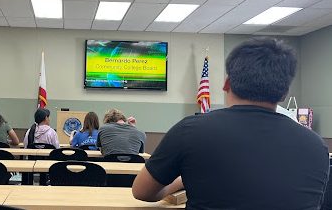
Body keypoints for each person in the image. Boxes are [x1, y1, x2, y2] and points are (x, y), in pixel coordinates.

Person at [132, 38, 330, 209]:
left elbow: (141, 191)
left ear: (227, 84)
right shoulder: (317, 146)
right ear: (285, 92)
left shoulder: (190, 131)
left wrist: (180, 182)